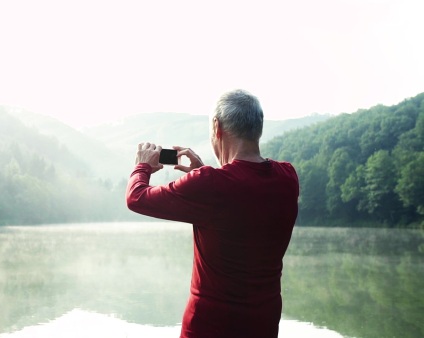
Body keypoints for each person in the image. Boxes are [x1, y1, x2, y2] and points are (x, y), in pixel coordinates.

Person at [125, 89, 299, 338]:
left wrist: (142, 166)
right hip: (264, 325)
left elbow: (136, 197)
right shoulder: (288, 177)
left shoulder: (210, 184)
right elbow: (242, 197)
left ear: (217, 127)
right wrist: (205, 172)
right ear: (258, 128)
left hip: (209, 327)